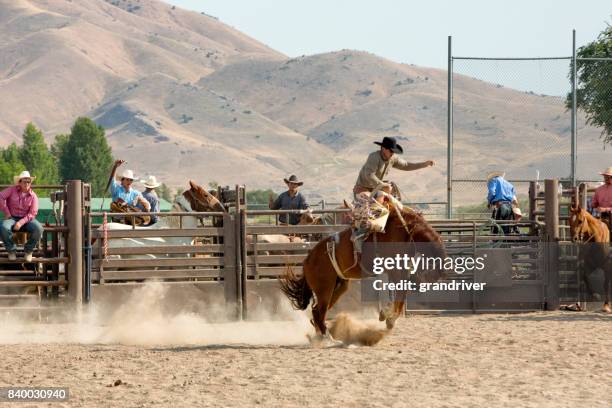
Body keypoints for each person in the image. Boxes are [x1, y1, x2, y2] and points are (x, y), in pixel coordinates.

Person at [353, 136, 435, 198]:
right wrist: (382, 185)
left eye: (393, 151)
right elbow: (369, 175)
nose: (392, 153)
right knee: (368, 205)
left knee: (392, 203)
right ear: (383, 148)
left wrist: (424, 164)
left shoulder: (393, 158)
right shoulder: (374, 157)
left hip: (377, 189)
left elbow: (406, 165)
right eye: (391, 151)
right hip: (363, 189)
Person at [0, 171, 43, 262]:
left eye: (29, 181)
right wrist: (7, 212)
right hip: (12, 217)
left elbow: (33, 213)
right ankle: (11, 251)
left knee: (39, 228)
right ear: (19, 182)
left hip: (26, 219)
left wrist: (20, 222)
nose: (27, 183)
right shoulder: (12, 190)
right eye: (24, 181)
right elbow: (0, 196)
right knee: (3, 227)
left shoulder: (33, 196)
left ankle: (28, 251)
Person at [591, 166, 612, 235]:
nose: (606, 178)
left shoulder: (599, 189)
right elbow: (594, 203)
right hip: (600, 215)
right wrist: (595, 206)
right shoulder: (599, 189)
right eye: (605, 176)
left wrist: (605, 209)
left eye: (608, 176)